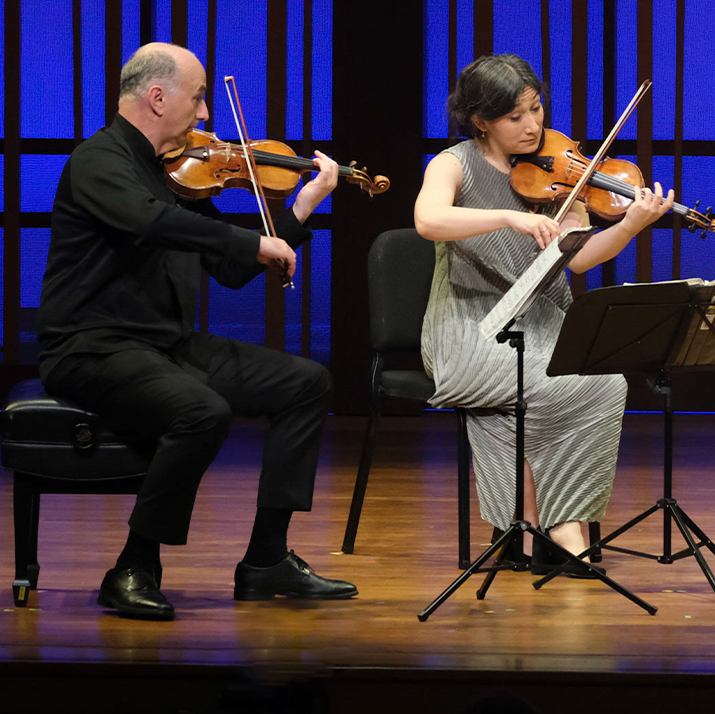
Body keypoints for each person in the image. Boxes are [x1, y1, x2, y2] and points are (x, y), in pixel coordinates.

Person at [37, 42, 356, 621]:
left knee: (305, 382)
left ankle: (266, 560)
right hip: (91, 346)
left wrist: (302, 206)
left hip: (164, 346)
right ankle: (133, 566)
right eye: (199, 97)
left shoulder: (176, 176)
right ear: (157, 98)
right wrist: (250, 239)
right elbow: (151, 220)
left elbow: (232, 270)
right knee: (202, 412)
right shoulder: (98, 161)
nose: (207, 115)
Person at [416, 54, 673, 572]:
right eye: (515, 117)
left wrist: (630, 225)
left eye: (535, 108)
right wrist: (510, 216)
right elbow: (428, 220)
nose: (533, 125)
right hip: (469, 327)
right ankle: (562, 534)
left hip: (542, 321)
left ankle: (530, 530)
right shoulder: (453, 163)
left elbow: (577, 257)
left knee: (602, 380)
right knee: (568, 386)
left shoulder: (557, 174)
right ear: (481, 121)